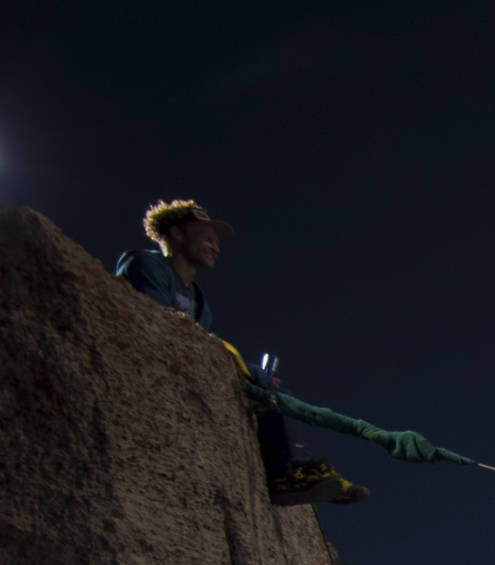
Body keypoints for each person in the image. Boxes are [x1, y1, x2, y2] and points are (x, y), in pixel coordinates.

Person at [114, 198, 367, 507]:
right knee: (257, 378)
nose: (215, 246)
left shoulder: (200, 300)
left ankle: (298, 468)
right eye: (206, 237)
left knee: (269, 385)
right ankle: (284, 473)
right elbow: (153, 322)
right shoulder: (147, 265)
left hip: (189, 373)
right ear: (177, 234)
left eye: (216, 241)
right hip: (149, 369)